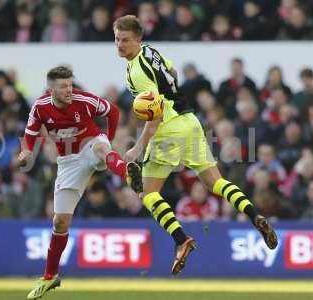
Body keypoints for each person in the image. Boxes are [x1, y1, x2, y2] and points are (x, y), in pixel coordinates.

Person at [113, 15, 278, 275]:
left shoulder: (137, 71)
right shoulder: (150, 52)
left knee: (148, 194)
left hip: (168, 129)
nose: (119, 45)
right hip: (190, 121)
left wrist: (137, 149)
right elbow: (174, 73)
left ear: (138, 39)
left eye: (125, 40)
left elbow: (154, 116)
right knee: (215, 182)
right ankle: (254, 214)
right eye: (117, 39)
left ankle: (181, 240)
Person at [18, 66, 141, 299]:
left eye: (70, 84)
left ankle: (128, 173)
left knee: (101, 147)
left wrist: (110, 138)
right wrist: (26, 151)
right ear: (50, 90)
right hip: (68, 162)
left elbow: (113, 112)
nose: (69, 90)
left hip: (91, 144)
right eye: (63, 86)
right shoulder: (40, 107)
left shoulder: (84, 100)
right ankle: (49, 277)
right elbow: (30, 133)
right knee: (60, 223)